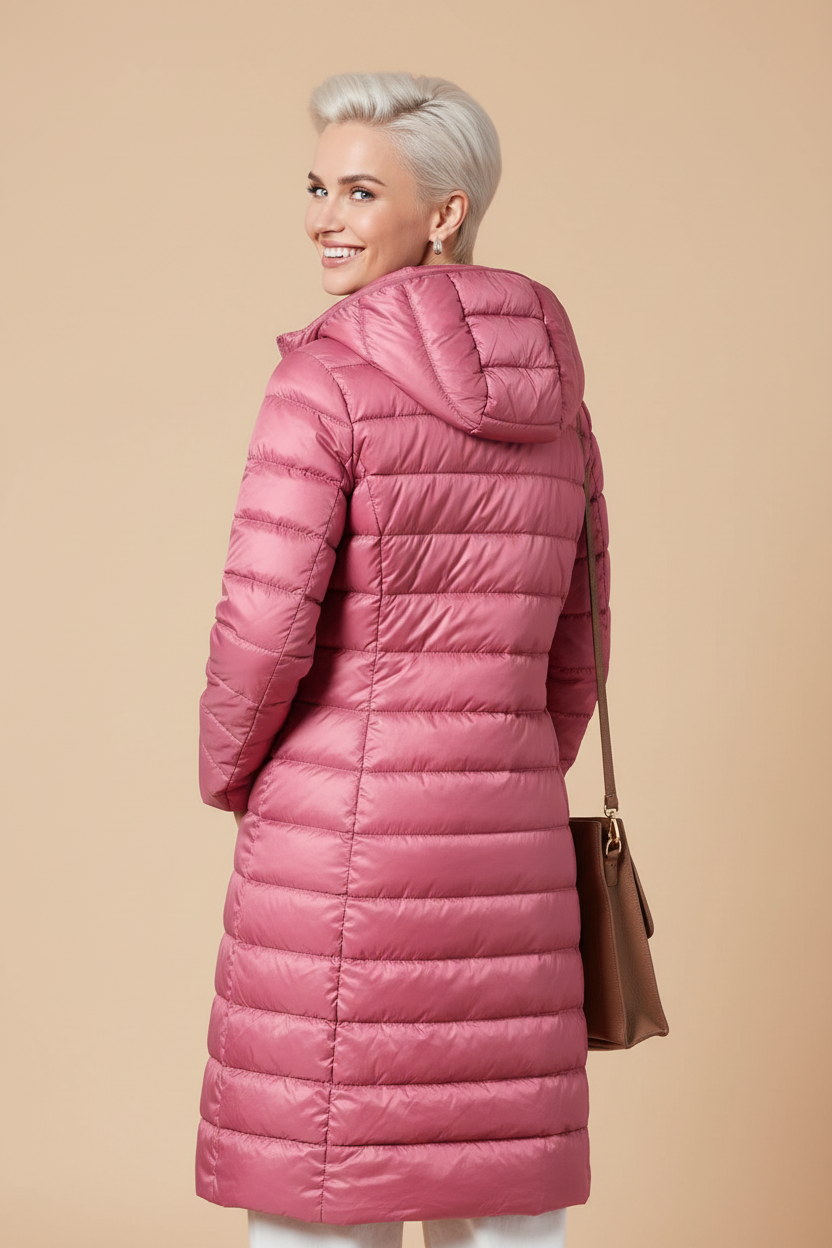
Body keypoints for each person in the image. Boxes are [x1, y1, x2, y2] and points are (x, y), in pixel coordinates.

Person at [194, 71, 611, 1248]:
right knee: (503, 1190)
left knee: (325, 1194)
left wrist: (234, 774)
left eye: (360, 192)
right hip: (509, 830)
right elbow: (581, 636)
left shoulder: (320, 380)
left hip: (336, 837)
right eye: (317, 187)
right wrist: (507, 769)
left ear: (445, 212)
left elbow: (261, 630)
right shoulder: (560, 402)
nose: (323, 217)